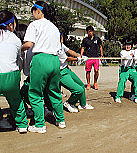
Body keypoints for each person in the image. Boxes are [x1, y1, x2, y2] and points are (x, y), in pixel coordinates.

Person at [21, 1, 65, 134]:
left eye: (33, 10)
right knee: (54, 92)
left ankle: (40, 124)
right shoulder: (54, 27)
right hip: (54, 60)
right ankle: (60, 120)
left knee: (35, 93)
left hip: (41, 59)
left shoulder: (34, 25)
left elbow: (28, 44)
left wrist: (19, 48)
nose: (33, 13)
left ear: (39, 11)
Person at [0, 10, 28, 133]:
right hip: (10, 78)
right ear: (11, 25)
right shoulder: (15, 40)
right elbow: (17, 60)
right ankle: (22, 125)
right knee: (15, 100)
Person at [58, 37, 94, 112]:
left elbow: (69, 51)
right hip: (60, 72)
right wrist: (77, 59)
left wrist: (79, 56)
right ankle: (69, 103)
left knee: (81, 85)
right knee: (78, 90)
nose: (62, 39)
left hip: (66, 69)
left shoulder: (61, 45)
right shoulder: (53, 48)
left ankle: (83, 105)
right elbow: (66, 58)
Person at [80, 26, 104, 90]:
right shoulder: (85, 40)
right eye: (88, 31)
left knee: (96, 71)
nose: (90, 32)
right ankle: (88, 83)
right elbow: (82, 48)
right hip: (88, 58)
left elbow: (100, 46)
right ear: (87, 32)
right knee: (88, 71)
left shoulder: (97, 38)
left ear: (93, 31)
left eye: (91, 31)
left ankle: (95, 83)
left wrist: (101, 55)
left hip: (96, 57)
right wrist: (81, 55)